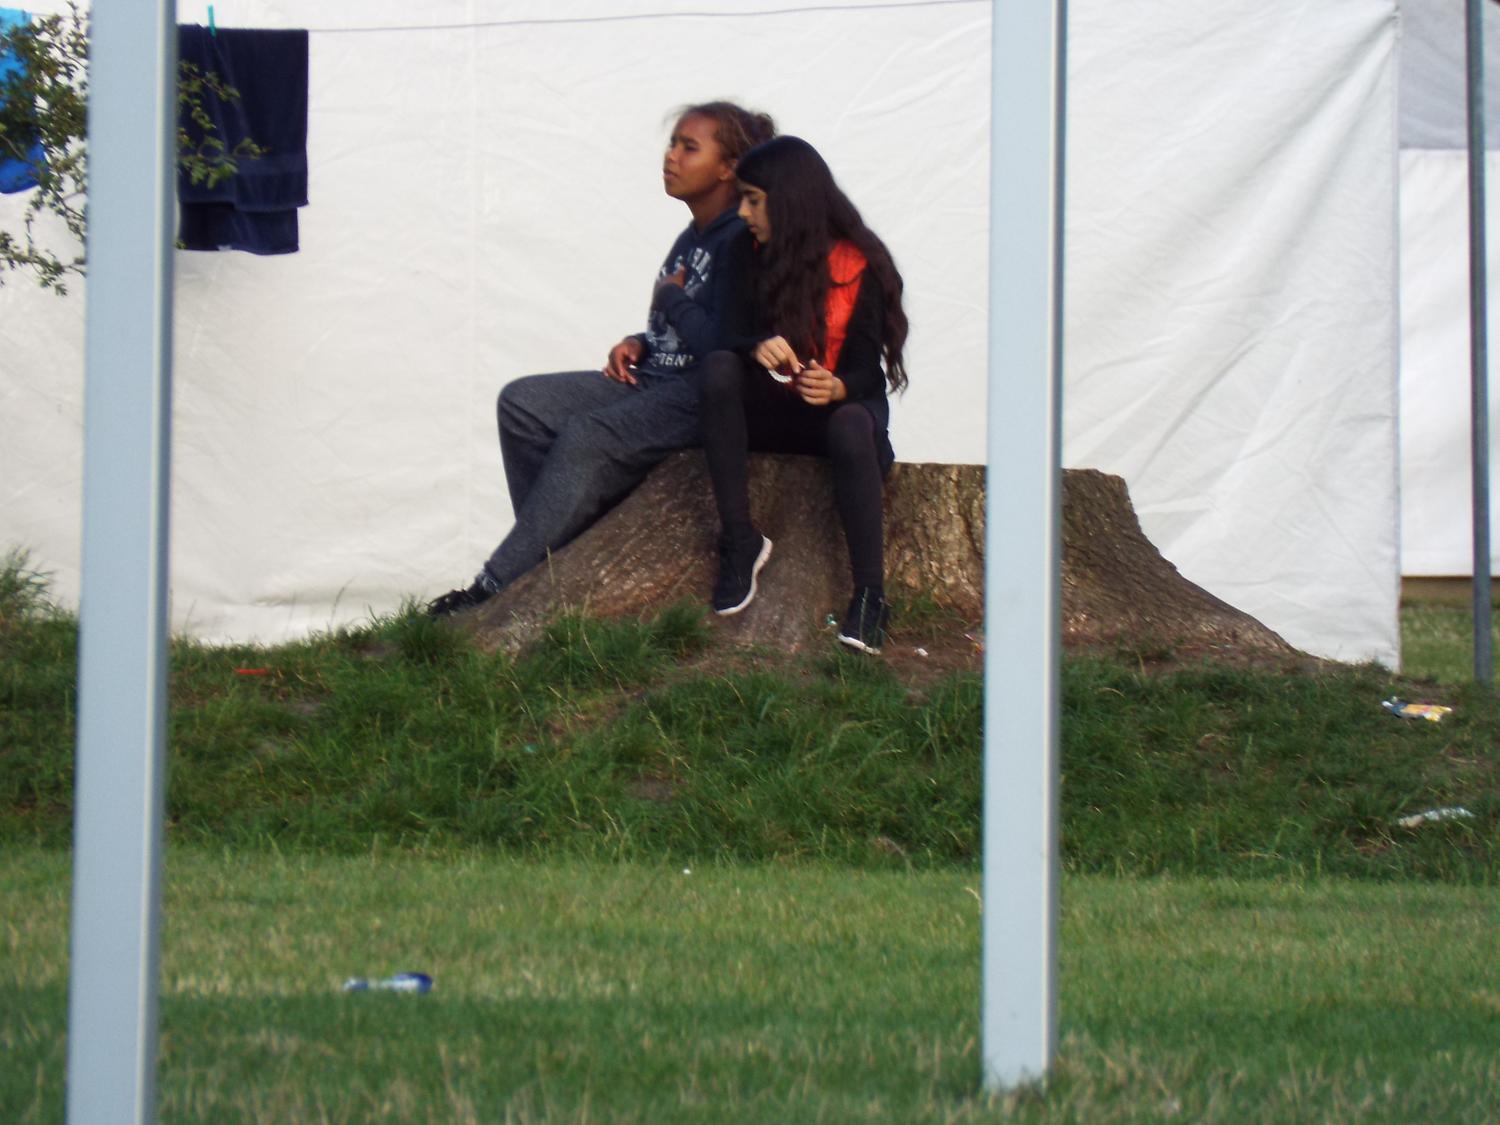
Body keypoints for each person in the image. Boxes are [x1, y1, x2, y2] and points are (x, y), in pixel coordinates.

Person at [427, 102, 775, 616]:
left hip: (697, 394)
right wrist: (640, 341)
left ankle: (492, 586)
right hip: (652, 376)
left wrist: (671, 298)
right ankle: (560, 557)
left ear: (728, 168)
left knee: (587, 435)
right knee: (523, 404)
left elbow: (726, 343)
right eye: (672, 143)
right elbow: (680, 322)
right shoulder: (691, 237)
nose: (671, 156)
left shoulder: (740, 239)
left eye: (689, 147)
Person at [697, 135, 908, 654]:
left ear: (789, 202)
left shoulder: (859, 260)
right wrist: (754, 346)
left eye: (753, 200)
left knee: (852, 420)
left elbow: (868, 373)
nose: (742, 212)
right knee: (720, 367)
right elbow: (722, 335)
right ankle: (741, 542)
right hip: (773, 415)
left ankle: (871, 596)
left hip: (835, 422)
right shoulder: (741, 250)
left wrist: (838, 386)